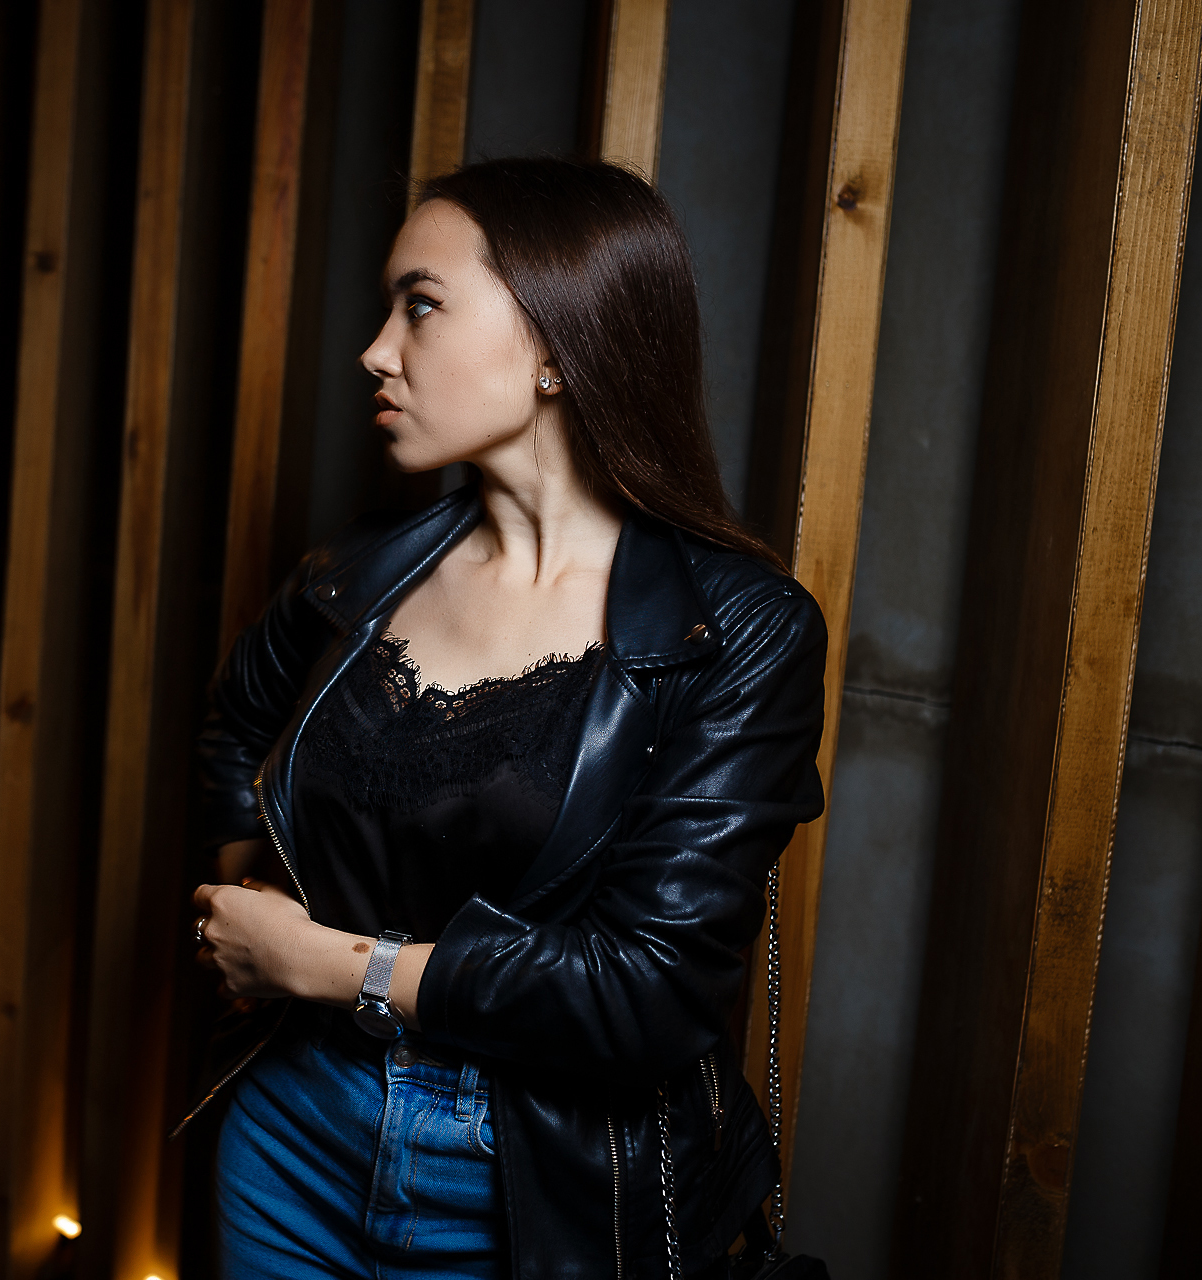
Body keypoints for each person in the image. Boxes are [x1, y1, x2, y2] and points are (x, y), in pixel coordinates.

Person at [185, 156, 827, 1280]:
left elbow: (649, 991)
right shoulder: (356, 574)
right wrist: (252, 898)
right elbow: (233, 730)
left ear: (554, 348)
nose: (376, 350)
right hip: (293, 1135)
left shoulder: (734, 629)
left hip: (543, 1184)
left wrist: (327, 962)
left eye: (421, 305)